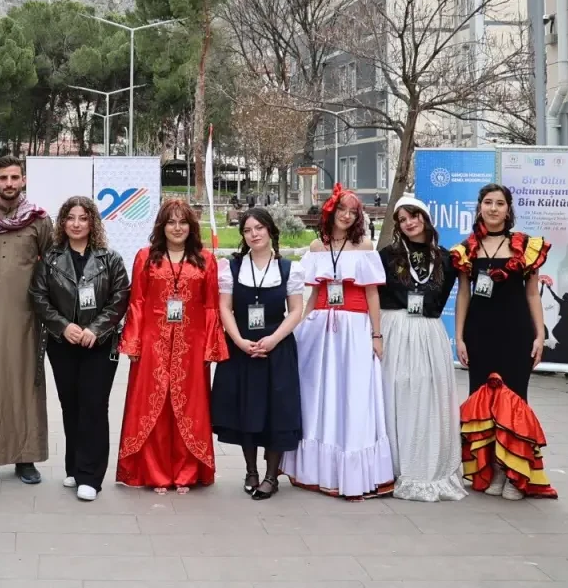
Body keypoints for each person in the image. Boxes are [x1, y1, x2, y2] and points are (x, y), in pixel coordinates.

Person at [282, 183, 395, 499]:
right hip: (322, 327)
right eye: (342, 210)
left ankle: (353, 472)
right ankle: (317, 470)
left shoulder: (365, 247)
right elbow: (314, 294)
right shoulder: (318, 248)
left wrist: (376, 334)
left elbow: (372, 293)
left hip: (355, 329)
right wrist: (301, 327)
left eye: (352, 212)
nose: (346, 216)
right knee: (319, 395)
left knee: (352, 395)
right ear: (330, 212)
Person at [451, 183, 556, 500]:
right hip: (480, 334)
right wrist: (459, 337)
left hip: (516, 332)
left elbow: (531, 294)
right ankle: (494, 471)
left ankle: (515, 476)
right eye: (487, 202)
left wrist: (540, 334)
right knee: (482, 403)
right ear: (479, 207)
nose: (493, 208)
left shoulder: (525, 246)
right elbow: (464, 295)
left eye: (499, 203)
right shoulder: (466, 249)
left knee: (514, 402)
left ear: (508, 209)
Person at [117, 198, 227, 494]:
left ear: (191, 227)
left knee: (189, 408)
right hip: (152, 344)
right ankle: (156, 473)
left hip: (192, 346)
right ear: (161, 226)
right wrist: (134, 344)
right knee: (154, 408)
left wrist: (210, 349)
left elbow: (210, 307)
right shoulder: (145, 257)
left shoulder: (205, 259)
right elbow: (137, 303)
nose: (177, 228)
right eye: (171, 222)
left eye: (183, 222)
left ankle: (187, 473)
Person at [29, 196, 129, 502]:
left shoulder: (109, 258)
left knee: (94, 407)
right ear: (62, 223)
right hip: (63, 344)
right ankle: (74, 466)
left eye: (83, 218)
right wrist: (63, 326)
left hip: (99, 346)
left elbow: (120, 297)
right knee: (70, 406)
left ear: (92, 223)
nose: (76, 224)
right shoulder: (50, 258)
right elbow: (38, 297)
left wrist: (94, 330)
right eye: (70, 218)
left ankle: (91, 476)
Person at [0, 156, 53, 484]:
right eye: (3, 178)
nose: (9, 184)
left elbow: (52, 267)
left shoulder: (39, 220)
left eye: (15, 177)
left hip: (27, 318)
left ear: (24, 180)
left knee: (25, 385)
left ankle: (26, 458)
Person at [212, 208, 304, 501]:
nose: (254, 234)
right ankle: (250, 470)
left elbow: (297, 310)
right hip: (242, 348)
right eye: (248, 230)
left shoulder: (289, 268)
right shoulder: (232, 268)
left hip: (277, 348)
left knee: (276, 411)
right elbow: (224, 307)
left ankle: (270, 476)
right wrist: (237, 340)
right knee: (245, 408)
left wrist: (275, 339)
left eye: (259, 228)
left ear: (270, 231)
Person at [378, 194, 465, 502]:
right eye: (402, 219)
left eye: (413, 215)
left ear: (425, 218)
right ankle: (394, 465)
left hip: (428, 333)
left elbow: (448, 298)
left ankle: (424, 462)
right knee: (396, 393)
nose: (408, 223)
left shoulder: (446, 259)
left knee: (427, 396)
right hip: (395, 329)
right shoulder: (387, 256)